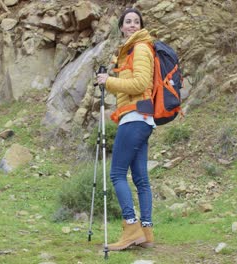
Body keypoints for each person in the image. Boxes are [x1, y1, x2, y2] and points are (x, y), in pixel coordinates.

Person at [96, 8, 155, 251]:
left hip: (134, 118)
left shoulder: (140, 48)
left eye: (136, 22)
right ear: (121, 27)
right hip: (141, 118)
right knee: (141, 179)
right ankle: (146, 232)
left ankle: (131, 228)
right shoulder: (129, 51)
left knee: (117, 174)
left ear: (140, 27)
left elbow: (141, 83)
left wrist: (107, 81)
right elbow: (130, 86)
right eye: (128, 21)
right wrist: (109, 82)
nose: (131, 25)